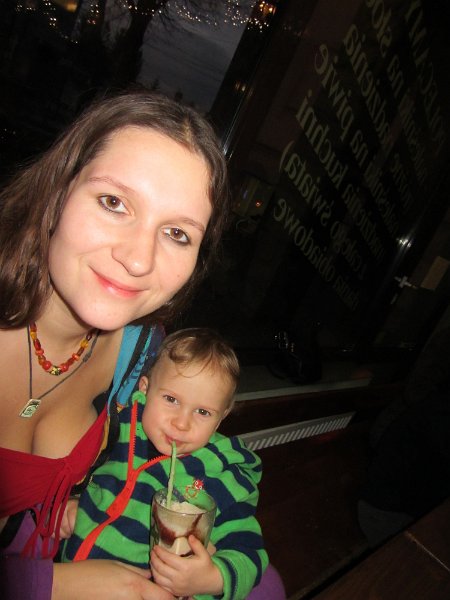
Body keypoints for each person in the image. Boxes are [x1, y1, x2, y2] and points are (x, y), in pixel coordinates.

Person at [0, 89, 230, 600]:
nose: (138, 259)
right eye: (114, 202)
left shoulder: (140, 352)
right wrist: (47, 585)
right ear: (58, 190)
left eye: (177, 233)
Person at [61, 327, 268, 599]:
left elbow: (249, 552)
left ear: (221, 418)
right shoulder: (114, 429)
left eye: (203, 412)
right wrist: (72, 501)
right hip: (69, 579)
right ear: (145, 388)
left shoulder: (223, 478)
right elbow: (73, 472)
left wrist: (210, 579)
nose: (182, 423)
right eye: (171, 399)